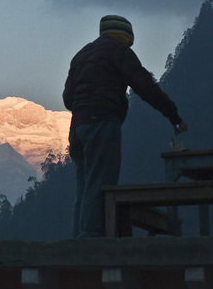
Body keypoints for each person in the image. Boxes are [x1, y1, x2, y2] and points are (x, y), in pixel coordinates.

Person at [63, 15, 188, 238]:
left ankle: (77, 239)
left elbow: (67, 98)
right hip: (101, 123)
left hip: (77, 127)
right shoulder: (118, 51)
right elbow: (144, 85)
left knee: (82, 186)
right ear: (125, 37)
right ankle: (90, 242)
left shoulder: (81, 55)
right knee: (99, 185)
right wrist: (172, 114)